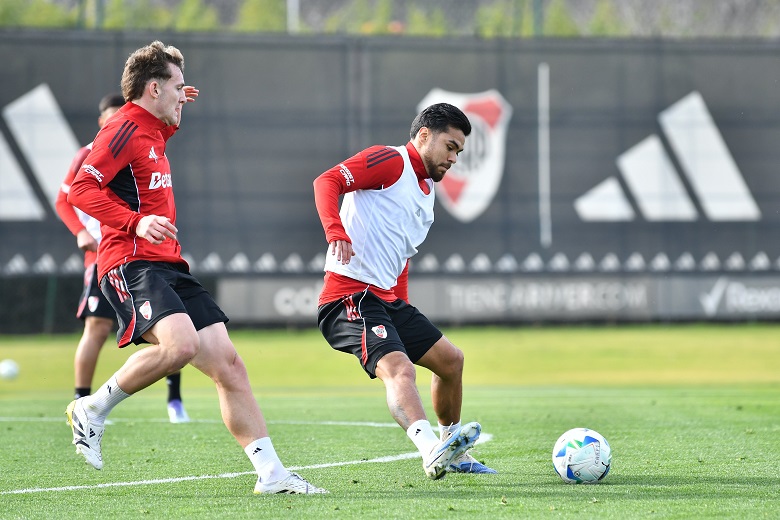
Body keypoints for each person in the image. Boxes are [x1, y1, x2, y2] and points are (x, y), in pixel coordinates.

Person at [66, 41, 326, 495]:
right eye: (177, 86)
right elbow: (80, 190)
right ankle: (91, 409)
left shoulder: (153, 129)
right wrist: (134, 221)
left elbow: (156, 138)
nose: (184, 94)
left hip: (168, 264)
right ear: (152, 88)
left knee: (230, 366)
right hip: (130, 262)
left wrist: (176, 105)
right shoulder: (122, 128)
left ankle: (272, 475)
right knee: (181, 345)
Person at [313, 102, 496, 479]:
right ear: (424, 135)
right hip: (349, 296)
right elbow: (326, 182)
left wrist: (402, 308)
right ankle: (431, 451)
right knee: (399, 369)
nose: (454, 158)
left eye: (459, 152)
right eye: (450, 146)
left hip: (386, 300)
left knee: (451, 361)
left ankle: (453, 450)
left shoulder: (427, 191)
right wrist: (335, 231)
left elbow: (401, 256)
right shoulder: (390, 161)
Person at [56, 93, 189, 424]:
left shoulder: (142, 138)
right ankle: (82, 401)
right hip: (112, 255)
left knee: (178, 326)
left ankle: (174, 400)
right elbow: (67, 197)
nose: (123, 120)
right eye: (115, 115)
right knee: (98, 327)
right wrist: (80, 232)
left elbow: (160, 132)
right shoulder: (90, 152)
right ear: (102, 121)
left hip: (150, 253)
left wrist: (176, 103)